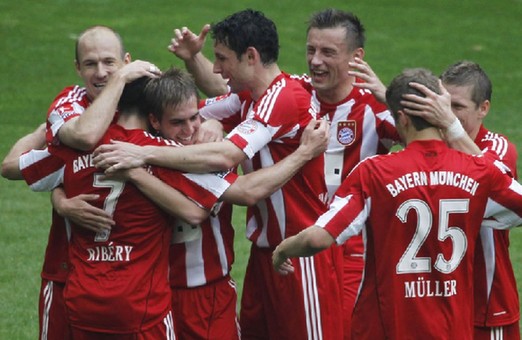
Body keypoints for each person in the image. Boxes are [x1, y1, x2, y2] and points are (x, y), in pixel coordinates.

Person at [94, 9, 344, 340]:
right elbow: (186, 111)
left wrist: (142, 153)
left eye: (222, 58)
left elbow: (230, 158)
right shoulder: (252, 97)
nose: (216, 67)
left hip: (302, 253)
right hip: (265, 252)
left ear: (251, 57)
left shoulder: (282, 97)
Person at [167, 9, 401, 338]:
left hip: (337, 248)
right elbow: (231, 87)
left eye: (328, 53)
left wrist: (387, 95)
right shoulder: (294, 90)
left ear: (356, 57)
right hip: (276, 249)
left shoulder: (375, 112)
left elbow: (430, 139)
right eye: (310, 50)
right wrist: (213, 112)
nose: (315, 61)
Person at [272, 68, 522, 339]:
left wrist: (283, 250)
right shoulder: (478, 171)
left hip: (388, 327)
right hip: (453, 328)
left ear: (401, 119)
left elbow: (318, 239)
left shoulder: (374, 172)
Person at [1, 25, 157, 340]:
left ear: (126, 60)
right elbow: (81, 139)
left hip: (136, 280)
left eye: (109, 62)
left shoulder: (143, 105)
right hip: (67, 269)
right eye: (90, 64)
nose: (101, 72)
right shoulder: (70, 104)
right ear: (77, 68)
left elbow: (190, 119)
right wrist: (42, 135)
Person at [398, 61, 520, 339]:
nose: (445, 114)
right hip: (434, 305)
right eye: (443, 104)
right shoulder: (429, 149)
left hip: (486, 305)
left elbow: (489, 180)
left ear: (483, 109)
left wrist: (452, 128)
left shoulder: (498, 148)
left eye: (457, 107)